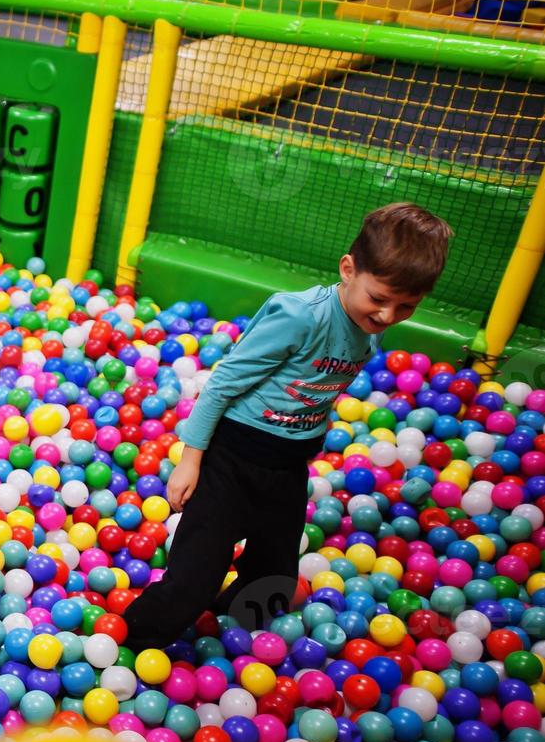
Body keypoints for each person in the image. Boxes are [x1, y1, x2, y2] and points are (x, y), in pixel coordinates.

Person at [121, 202, 452, 650]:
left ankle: (232, 637)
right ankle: (131, 642)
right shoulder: (299, 317)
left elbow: (317, 386)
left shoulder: (369, 324)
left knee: (274, 578)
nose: (388, 316)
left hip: (287, 469)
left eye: (406, 307)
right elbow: (221, 385)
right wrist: (191, 460)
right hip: (231, 463)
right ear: (349, 269)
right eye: (379, 299)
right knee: (194, 578)